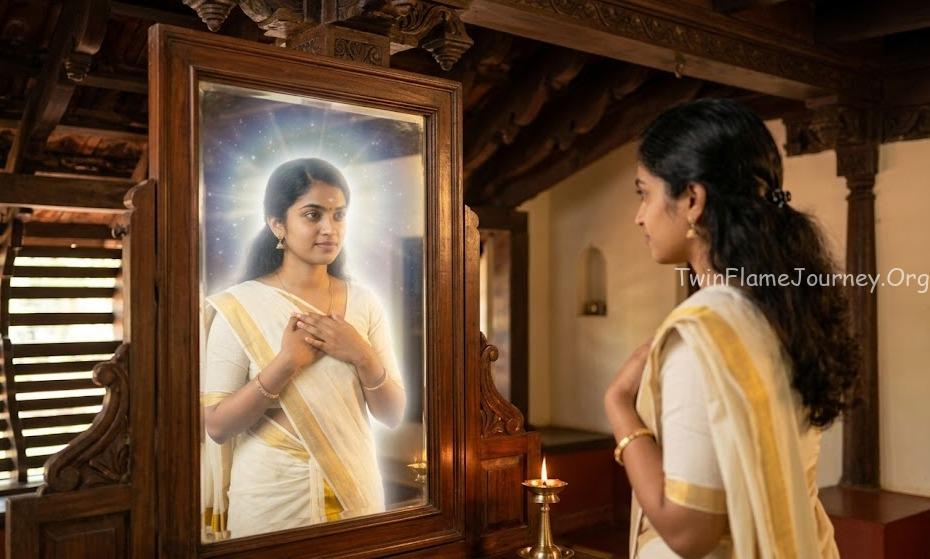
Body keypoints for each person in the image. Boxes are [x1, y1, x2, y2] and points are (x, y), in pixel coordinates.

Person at [603, 99, 857, 558]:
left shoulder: (706, 335)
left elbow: (688, 532)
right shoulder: (781, 307)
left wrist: (619, 407)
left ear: (692, 200)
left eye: (644, 193)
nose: (639, 216)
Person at [200, 158, 406, 539]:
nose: (329, 229)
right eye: (313, 215)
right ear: (277, 223)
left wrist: (362, 355)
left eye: (339, 215)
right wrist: (286, 362)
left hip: (354, 489)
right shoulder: (240, 306)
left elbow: (392, 414)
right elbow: (216, 426)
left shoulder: (364, 303)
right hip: (270, 496)